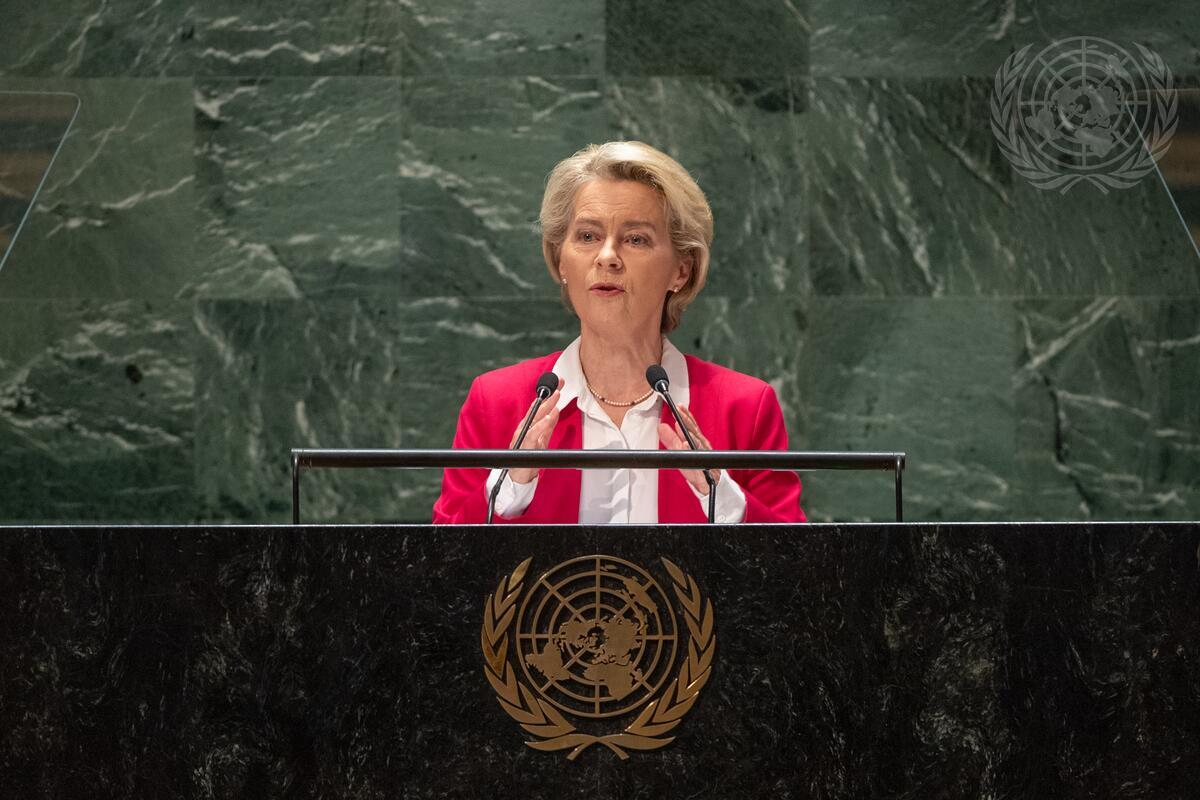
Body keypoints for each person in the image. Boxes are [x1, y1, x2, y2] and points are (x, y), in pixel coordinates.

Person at [432, 141, 805, 524]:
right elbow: (441, 556)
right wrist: (510, 486)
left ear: (681, 270)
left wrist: (722, 497)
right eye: (587, 236)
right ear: (561, 260)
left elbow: (795, 558)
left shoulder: (743, 408)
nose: (607, 256)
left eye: (636, 239)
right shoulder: (497, 402)